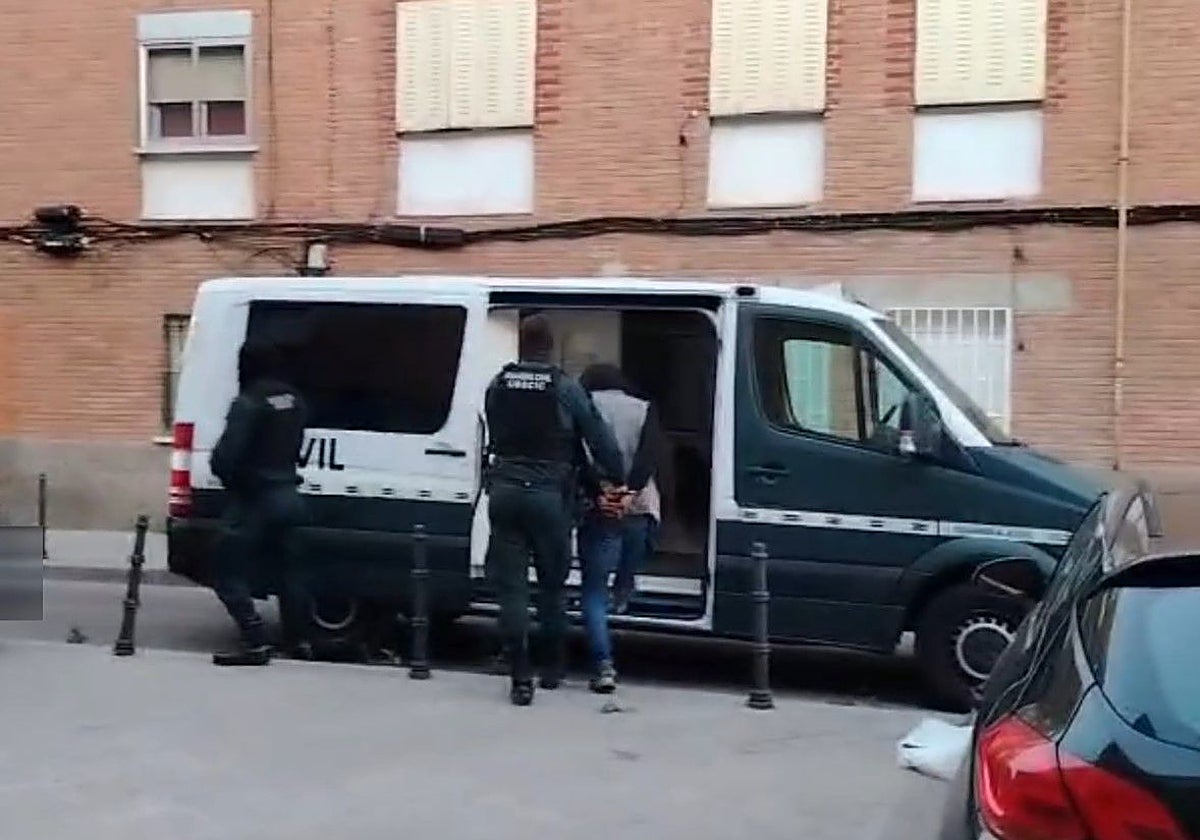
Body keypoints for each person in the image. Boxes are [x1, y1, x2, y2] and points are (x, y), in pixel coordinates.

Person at [482, 314, 626, 706]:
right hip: (549, 497)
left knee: (512, 590)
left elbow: (494, 430)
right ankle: (551, 668)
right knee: (550, 585)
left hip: (505, 493)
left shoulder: (498, 383)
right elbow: (597, 436)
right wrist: (618, 476)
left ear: (521, 346)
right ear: (551, 347)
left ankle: (519, 678)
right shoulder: (564, 388)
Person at [208, 338, 312, 666]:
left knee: (226, 569)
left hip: (256, 499)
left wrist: (235, 483)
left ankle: (255, 641)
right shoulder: (294, 399)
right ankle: (299, 642)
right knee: (291, 573)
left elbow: (225, 458)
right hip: (290, 496)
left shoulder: (249, 402)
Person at [576, 363, 664, 693]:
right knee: (625, 574)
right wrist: (630, 492)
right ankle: (624, 590)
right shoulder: (643, 408)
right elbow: (649, 456)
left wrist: (602, 493)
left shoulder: (584, 406)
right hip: (637, 507)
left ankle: (603, 666)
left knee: (593, 590)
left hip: (599, 508)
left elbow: (579, 457)